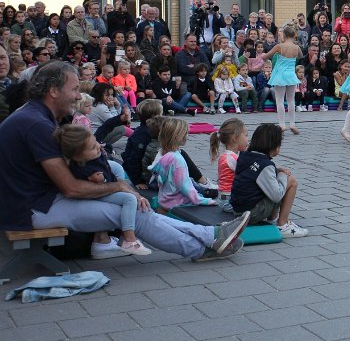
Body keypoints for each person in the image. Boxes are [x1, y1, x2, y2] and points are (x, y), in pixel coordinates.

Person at [0, 63, 251, 261]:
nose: (79, 96)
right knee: (133, 212)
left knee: (136, 206)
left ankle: (211, 235)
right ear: (53, 91)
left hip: (36, 202)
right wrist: (118, 186)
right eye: (75, 89)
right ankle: (200, 249)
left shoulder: (34, 116)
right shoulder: (37, 125)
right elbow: (71, 188)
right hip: (33, 210)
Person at [55, 124, 152, 256]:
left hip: (106, 188)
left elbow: (110, 174)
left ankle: (123, 236)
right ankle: (129, 238)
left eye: (96, 142)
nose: (98, 147)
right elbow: (80, 186)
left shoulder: (96, 156)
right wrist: (94, 180)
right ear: (78, 156)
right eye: (92, 148)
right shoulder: (81, 166)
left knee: (128, 192)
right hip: (94, 195)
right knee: (129, 199)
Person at [230, 124, 308, 237]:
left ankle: (272, 220)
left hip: (238, 211)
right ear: (274, 146)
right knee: (291, 181)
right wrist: (282, 175)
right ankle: (283, 224)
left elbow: (252, 174)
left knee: (273, 185)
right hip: (251, 214)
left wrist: (276, 170)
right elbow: (277, 195)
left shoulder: (245, 156)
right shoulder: (265, 165)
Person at [266, 25, 303, 135]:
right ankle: (292, 123)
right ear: (294, 35)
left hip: (280, 75)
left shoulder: (279, 46)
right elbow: (300, 56)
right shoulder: (297, 47)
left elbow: (267, 56)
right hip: (290, 74)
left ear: (284, 35)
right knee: (291, 100)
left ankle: (282, 124)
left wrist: (262, 57)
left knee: (280, 100)